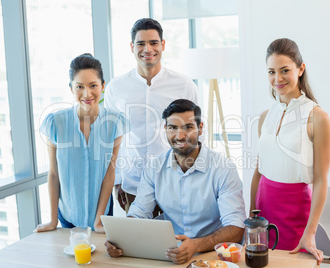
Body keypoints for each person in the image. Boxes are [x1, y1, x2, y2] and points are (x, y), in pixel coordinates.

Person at [104, 99, 246, 264]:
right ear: (165, 129)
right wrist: (121, 239)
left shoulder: (223, 169)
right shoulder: (154, 167)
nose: (180, 136)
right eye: (173, 127)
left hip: (214, 256)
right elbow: (140, 211)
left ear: (200, 129)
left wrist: (197, 245)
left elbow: (236, 228)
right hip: (171, 255)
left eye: (188, 127)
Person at [250, 38, 330, 265]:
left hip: (296, 211)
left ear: (300, 69)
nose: (277, 79)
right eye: (271, 71)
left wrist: (311, 232)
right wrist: (251, 213)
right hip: (264, 204)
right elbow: (259, 171)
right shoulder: (266, 116)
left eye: (284, 70)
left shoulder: (317, 117)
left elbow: (321, 180)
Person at [104, 18, 198, 215]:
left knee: (176, 240)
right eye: (141, 43)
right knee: (140, 241)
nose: (148, 49)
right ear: (132, 47)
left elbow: (196, 135)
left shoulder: (183, 85)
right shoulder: (116, 87)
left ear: (162, 45)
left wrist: (193, 178)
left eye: (154, 43)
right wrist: (118, 180)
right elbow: (112, 138)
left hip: (175, 180)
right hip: (133, 183)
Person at [35, 53, 127, 233]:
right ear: (71, 88)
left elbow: (110, 173)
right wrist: (53, 221)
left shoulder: (116, 123)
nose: (87, 94)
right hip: (68, 215)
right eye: (79, 87)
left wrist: (99, 220)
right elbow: (54, 174)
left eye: (93, 85)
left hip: (102, 215)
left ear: (103, 86)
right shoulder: (56, 122)